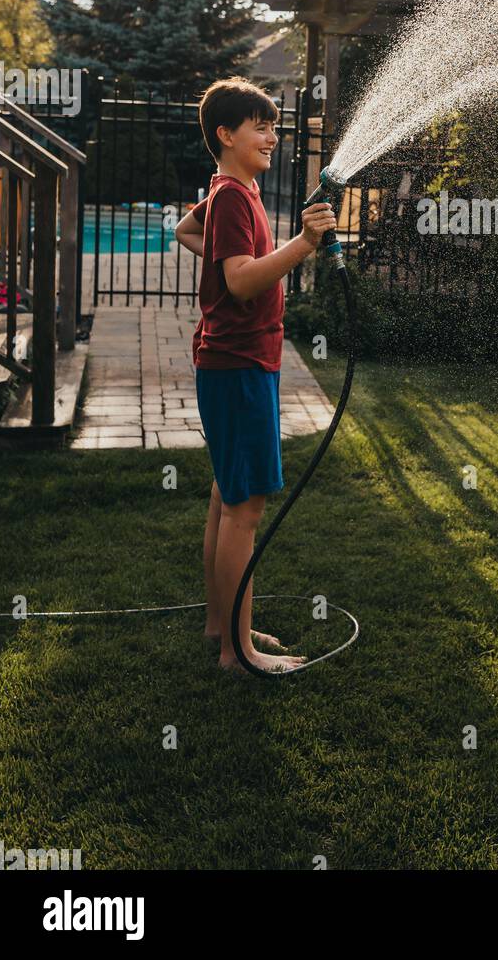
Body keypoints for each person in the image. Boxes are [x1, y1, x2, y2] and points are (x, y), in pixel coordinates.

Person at [174, 77, 337, 674]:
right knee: (246, 507)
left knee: (228, 494)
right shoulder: (235, 197)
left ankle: (224, 624)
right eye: (260, 126)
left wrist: (222, 270)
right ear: (226, 134)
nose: (272, 136)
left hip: (233, 361)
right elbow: (242, 280)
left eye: (273, 125)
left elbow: (184, 232)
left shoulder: (226, 191)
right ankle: (236, 654)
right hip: (240, 363)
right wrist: (304, 243)